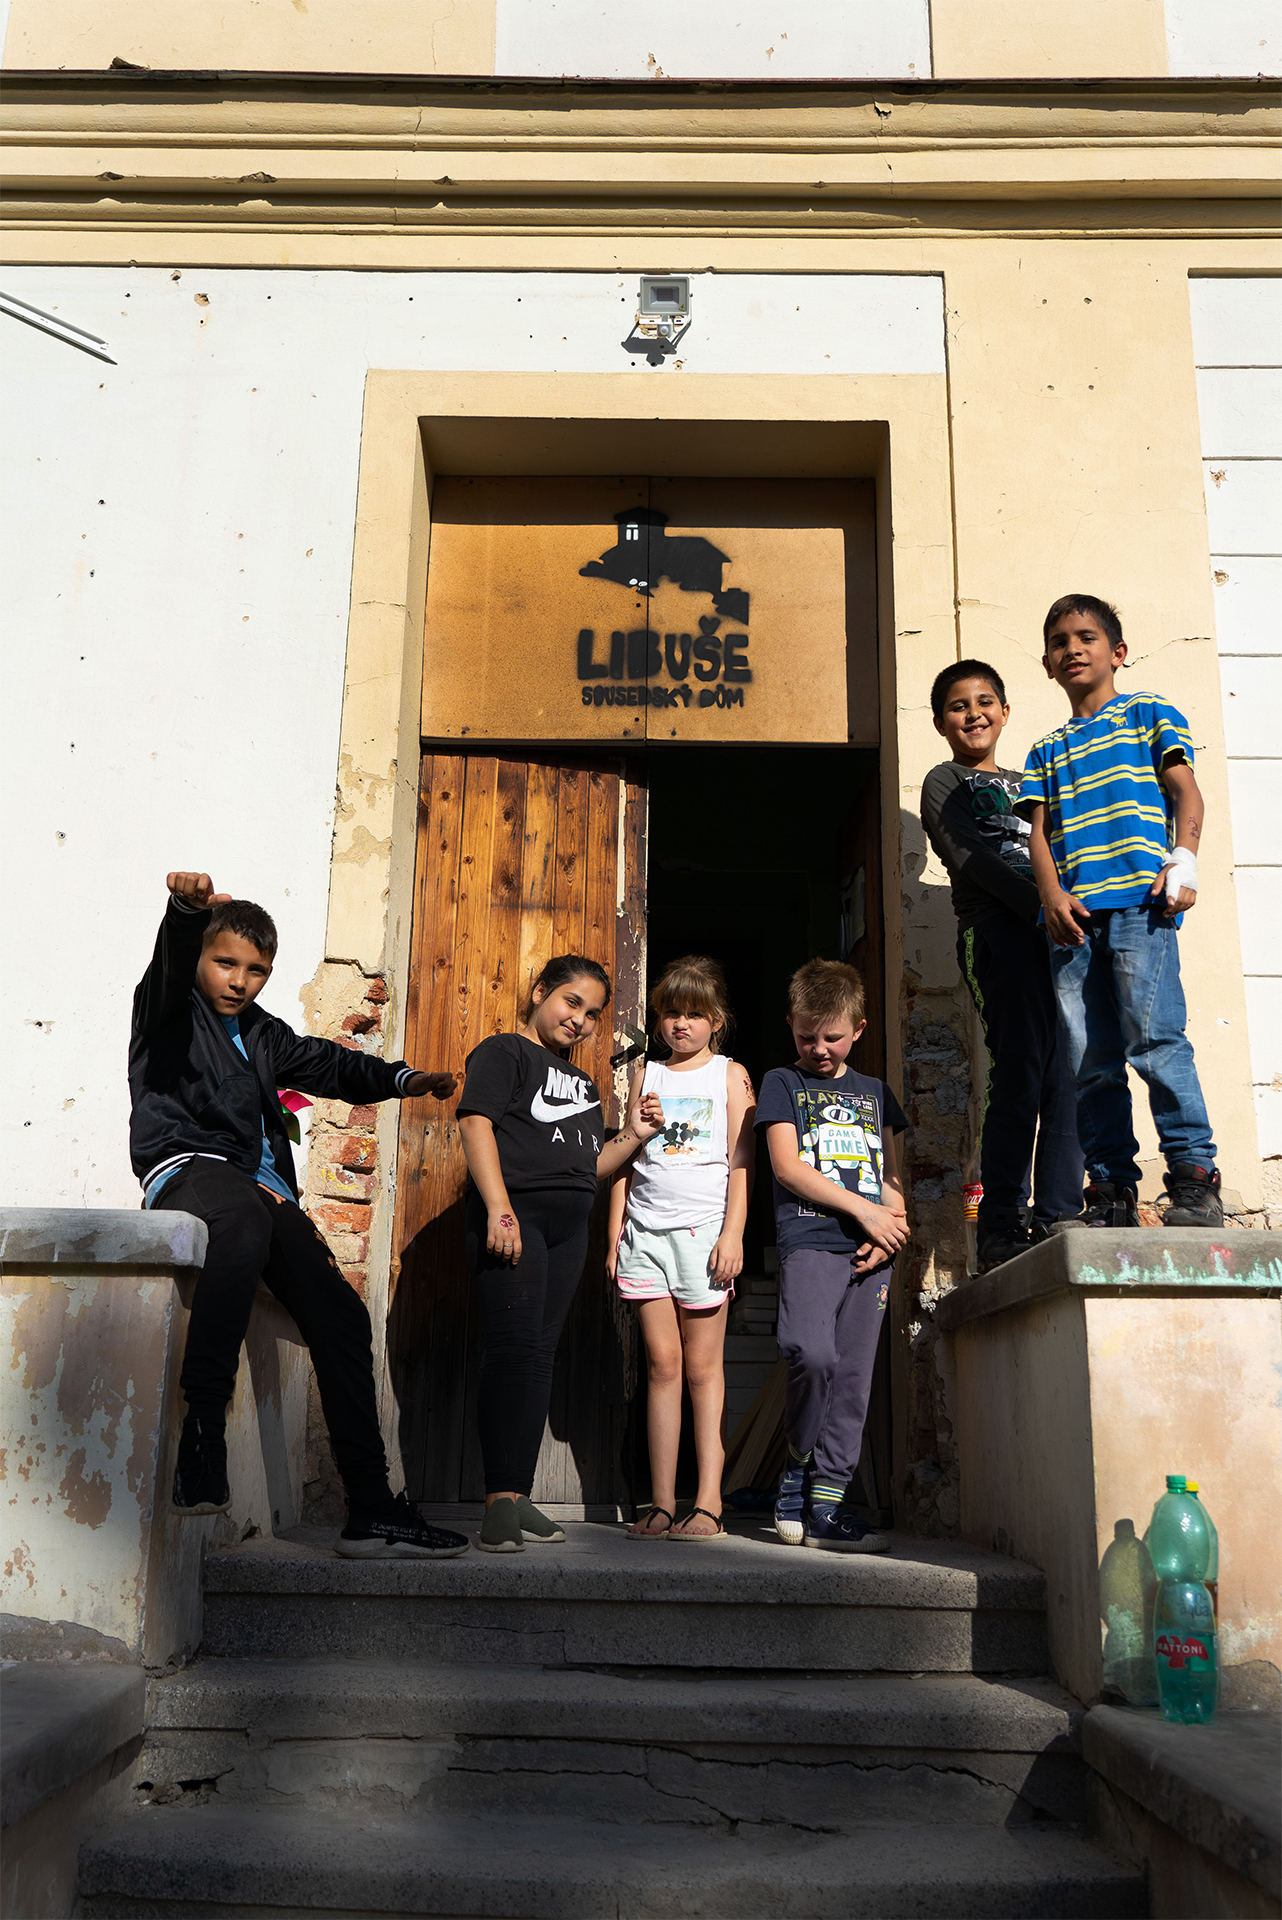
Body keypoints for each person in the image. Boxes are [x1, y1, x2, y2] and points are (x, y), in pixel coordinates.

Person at [131, 871, 468, 1559]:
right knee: (244, 1222)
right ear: (200, 956)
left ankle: (371, 1508)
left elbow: (330, 1065)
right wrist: (185, 910)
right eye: (225, 962)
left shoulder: (261, 1033)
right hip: (190, 1168)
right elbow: (169, 960)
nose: (239, 981)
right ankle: (203, 1433)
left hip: (259, 1190)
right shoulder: (168, 1010)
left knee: (342, 1315)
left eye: (255, 971)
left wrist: (407, 1079)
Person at [1019, 594, 1224, 1228]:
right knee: (1091, 1062)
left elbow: (1186, 791)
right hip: (1073, 924)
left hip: (1141, 907)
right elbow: (1038, 835)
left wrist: (1184, 858)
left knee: (1156, 1041)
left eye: (1086, 637)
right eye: (1059, 642)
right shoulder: (1045, 749)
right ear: (1047, 663)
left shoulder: (1150, 714)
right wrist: (1051, 895)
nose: (1072, 649)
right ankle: (1110, 1190)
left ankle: (1194, 1178)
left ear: (1118, 652)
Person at [457, 955, 667, 1554]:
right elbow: (475, 1125)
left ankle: (518, 1494)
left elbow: (588, 1167)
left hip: (568, 1230)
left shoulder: (583, 1084)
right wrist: (499, 1208)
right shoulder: (504, 1051)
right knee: (513, 1351)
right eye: (571, 1002)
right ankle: (497, 1501)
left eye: (592, 1013)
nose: (580, 1020)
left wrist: (635, 1134)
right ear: (539, 992)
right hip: (516, 1218)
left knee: (540, 1356)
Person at [921, 659, 1083, 1270]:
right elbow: (974, 858)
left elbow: (1064, 848)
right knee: (1019, 1070)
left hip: (1056, 935)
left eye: (985, 701)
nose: (974, 714)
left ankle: (1060, 1211)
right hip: (999, 933)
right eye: (958, 706)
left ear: (1006, 712)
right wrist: (1042, 907)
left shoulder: (1031, 781)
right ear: (940, 723)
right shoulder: (945, 782)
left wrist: (1073, 912)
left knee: (1067, 1073)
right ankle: (1001, 1221)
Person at [755, 960, 909, 1554]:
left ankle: (826, 1506)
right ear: (790, 1026)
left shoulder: (875, 1093)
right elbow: (787, 1168)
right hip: (811, 1238)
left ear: (859, 1029)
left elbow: (890, 1177)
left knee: (853, 1378)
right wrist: (865, 1212)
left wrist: (892, 1225)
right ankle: (796, 1467)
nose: (818, 1049)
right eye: (806, 1037)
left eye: (833, 1037)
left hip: (873, 1251)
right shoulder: (781, 1083)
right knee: (809, 1352)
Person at [606, 956, 757, 1543]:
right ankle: (663, 1503)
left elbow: (742, 1162)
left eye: (695, 1014)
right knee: (662, 1367)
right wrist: (615, 1234)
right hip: (645, 1234)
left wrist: (733, 1233)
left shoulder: (730, 1074)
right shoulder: (647, 1073)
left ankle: (710, 1502)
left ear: (716, 1019)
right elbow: (626, 1157)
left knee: (701, 1369)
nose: (681, 1024)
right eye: (671, 1012)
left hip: (704, 1235)